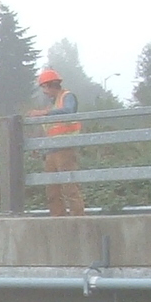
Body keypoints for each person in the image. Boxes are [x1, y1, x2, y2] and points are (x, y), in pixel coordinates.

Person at [30, 67, 85, 216]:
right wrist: (39, 146)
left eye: (44, 87)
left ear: (50, 85)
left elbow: (69, 111)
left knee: (70, 187)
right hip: (51, 151)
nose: (44, 91)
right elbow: (49, 129)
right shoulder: (53, 104)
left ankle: (78, 219)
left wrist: (45, 113)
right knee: (52, 190)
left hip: (65, 149)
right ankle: (57, 219)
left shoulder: (67, 97)